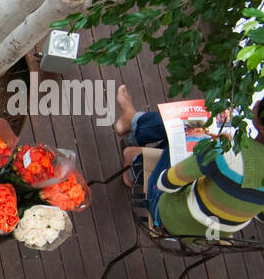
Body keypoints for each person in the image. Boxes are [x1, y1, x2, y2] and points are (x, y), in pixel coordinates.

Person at [113, 86, 264, 238]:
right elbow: (260, 216)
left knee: (186, 129)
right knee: (193, 132)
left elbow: (166, 183)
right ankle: (134, 128)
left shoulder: (227, 152)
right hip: (209, 236)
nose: (257, 101)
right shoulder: (231, 156)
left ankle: (134, 165)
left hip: (170, 221)